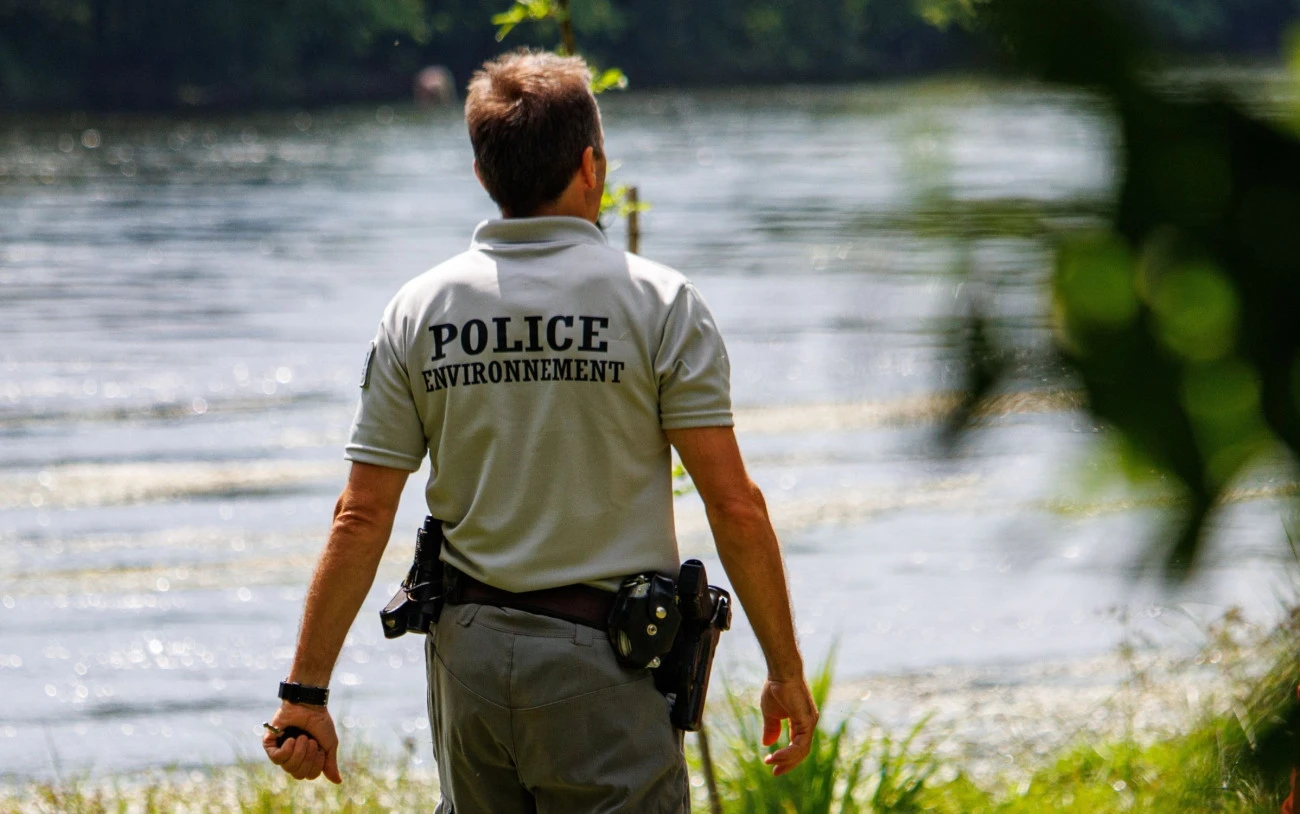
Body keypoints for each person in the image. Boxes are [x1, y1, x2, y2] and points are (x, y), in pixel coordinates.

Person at [262, 48, 818, 811]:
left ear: (483, 174)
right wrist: (785, 672)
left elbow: (360, 516)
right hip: (605, 667)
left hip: (469, 663)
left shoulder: (419, 309)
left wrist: (305, 692)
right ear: (592, 167)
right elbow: (734, 506)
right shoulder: (660, 304)